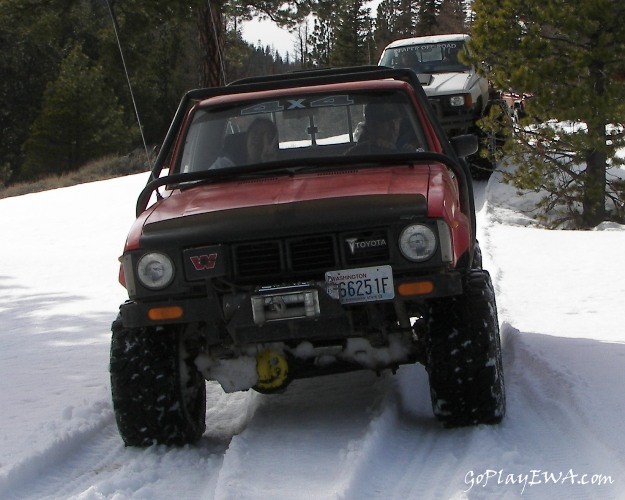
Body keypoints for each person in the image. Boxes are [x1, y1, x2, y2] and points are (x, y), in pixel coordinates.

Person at [348, 103, 418, 155]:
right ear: (372, 125)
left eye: (396, 119)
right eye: (386, 120)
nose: (393, 126)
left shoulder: (409, 144)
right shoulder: (357, 154)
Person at [211, 117, 279, 169]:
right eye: (255, 132)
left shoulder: (282, 169)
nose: (257, 137)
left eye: (264, 135)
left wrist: (269, 164)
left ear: (272, 142)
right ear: (247, 137)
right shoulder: (224, 165)